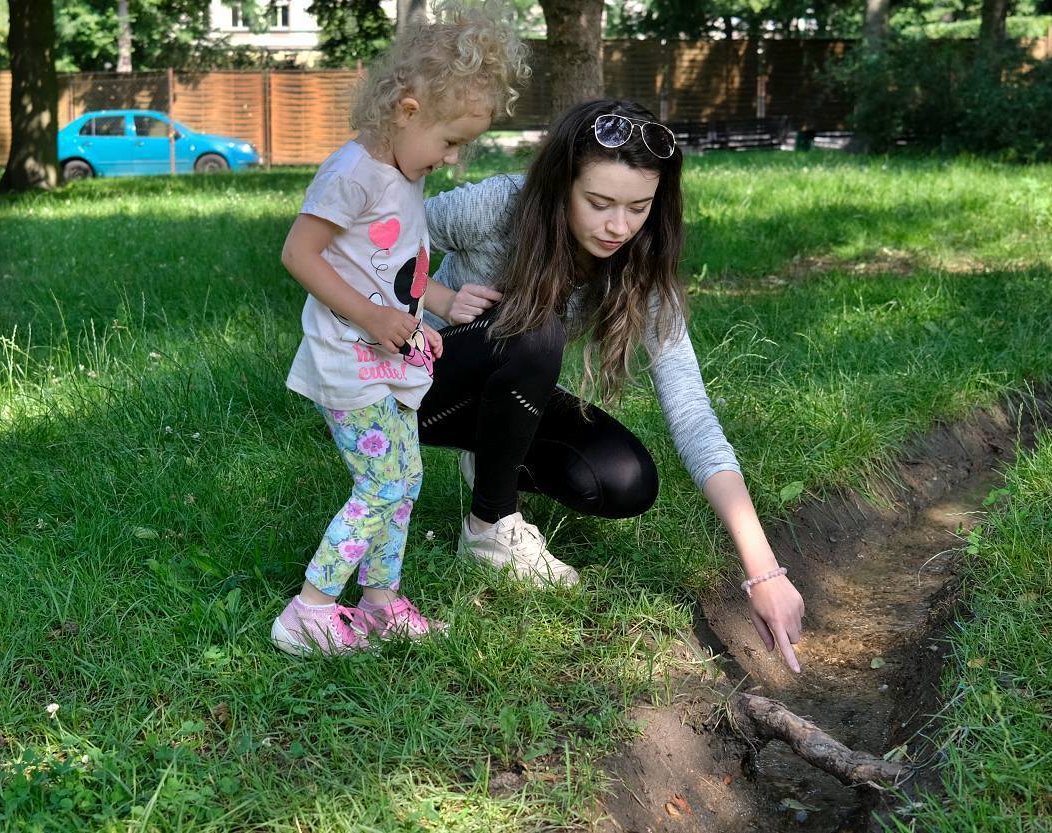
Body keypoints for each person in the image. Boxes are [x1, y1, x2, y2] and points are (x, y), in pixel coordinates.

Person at [417, 99, 807, 672]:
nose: (619, 227)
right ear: (561, 186)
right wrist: (437, 298)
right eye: (599, 204)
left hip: (504, 387)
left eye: (638, 207)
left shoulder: (638, 263)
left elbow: (692, 412)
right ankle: (488, 527)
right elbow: (368, 237)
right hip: (410, 382)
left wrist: (764, 571)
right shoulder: (501, 206)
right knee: (535, 331)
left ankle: (491, 459)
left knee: (624, 481)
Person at [269, 4, 529, 655]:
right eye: (450, 142)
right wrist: (375, 318)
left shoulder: (403, 173)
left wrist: (438, 304)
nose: (454, 158)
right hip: (346, 361)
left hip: (388, 357)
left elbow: (395, 268)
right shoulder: (352, 174)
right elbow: (299, 253)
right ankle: (309, 610)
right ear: (407, 112)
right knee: (382, 484)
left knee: (405, 480)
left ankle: (380, 602)